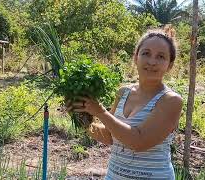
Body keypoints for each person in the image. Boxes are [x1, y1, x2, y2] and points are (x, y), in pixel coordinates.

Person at [67, 26, 183, 180]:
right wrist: (81, 117)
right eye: (146, 53)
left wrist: (100, 111)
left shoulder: (171, 100)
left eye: (161, 56)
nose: (152, 61)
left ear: (170, 65)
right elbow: (110, 136)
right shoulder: (124, 92)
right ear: (136, 57)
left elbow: (138, 142)